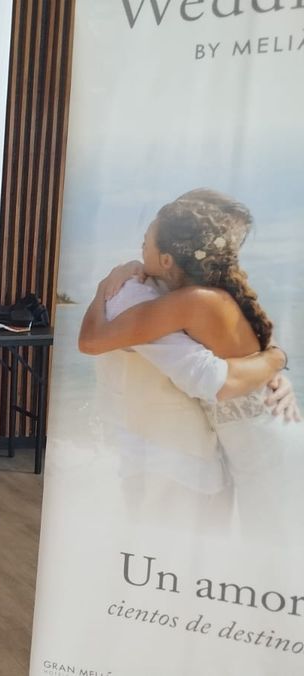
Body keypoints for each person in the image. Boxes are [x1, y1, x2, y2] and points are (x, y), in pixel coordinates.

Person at [79, 190, 299, 539]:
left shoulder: (190, 301)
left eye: (146, 242)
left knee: (277, 555)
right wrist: (275, 361)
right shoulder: (215, 296)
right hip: (253, 440)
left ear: (167, 260)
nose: (140, 248)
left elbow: (91, 340)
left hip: (262, 446)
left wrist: (106, 285)